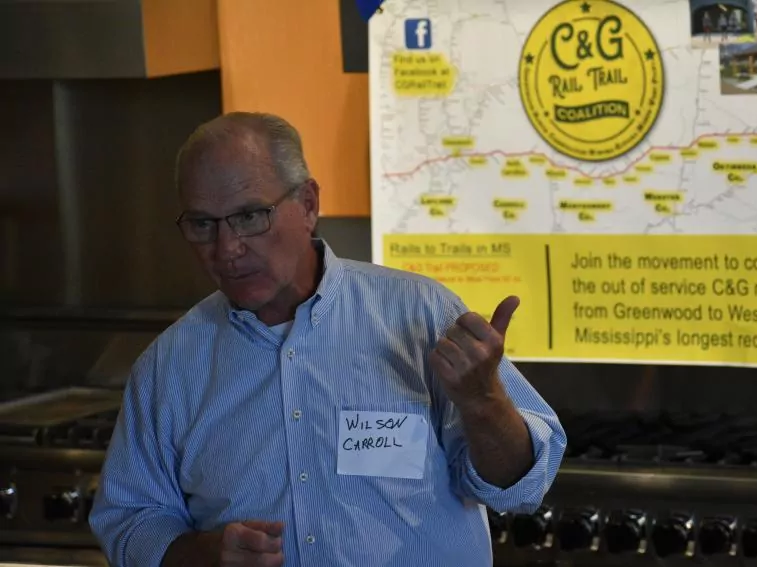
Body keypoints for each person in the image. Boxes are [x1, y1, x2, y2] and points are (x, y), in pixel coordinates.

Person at [88, 111, 567, 567]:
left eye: (250, 216)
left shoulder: (420, 313)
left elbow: (523, 486)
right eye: (202, 225)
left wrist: (483, 401)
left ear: (308, 205)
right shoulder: (170, 365)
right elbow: (130, 521)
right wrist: (203, 555)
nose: (227, 248)